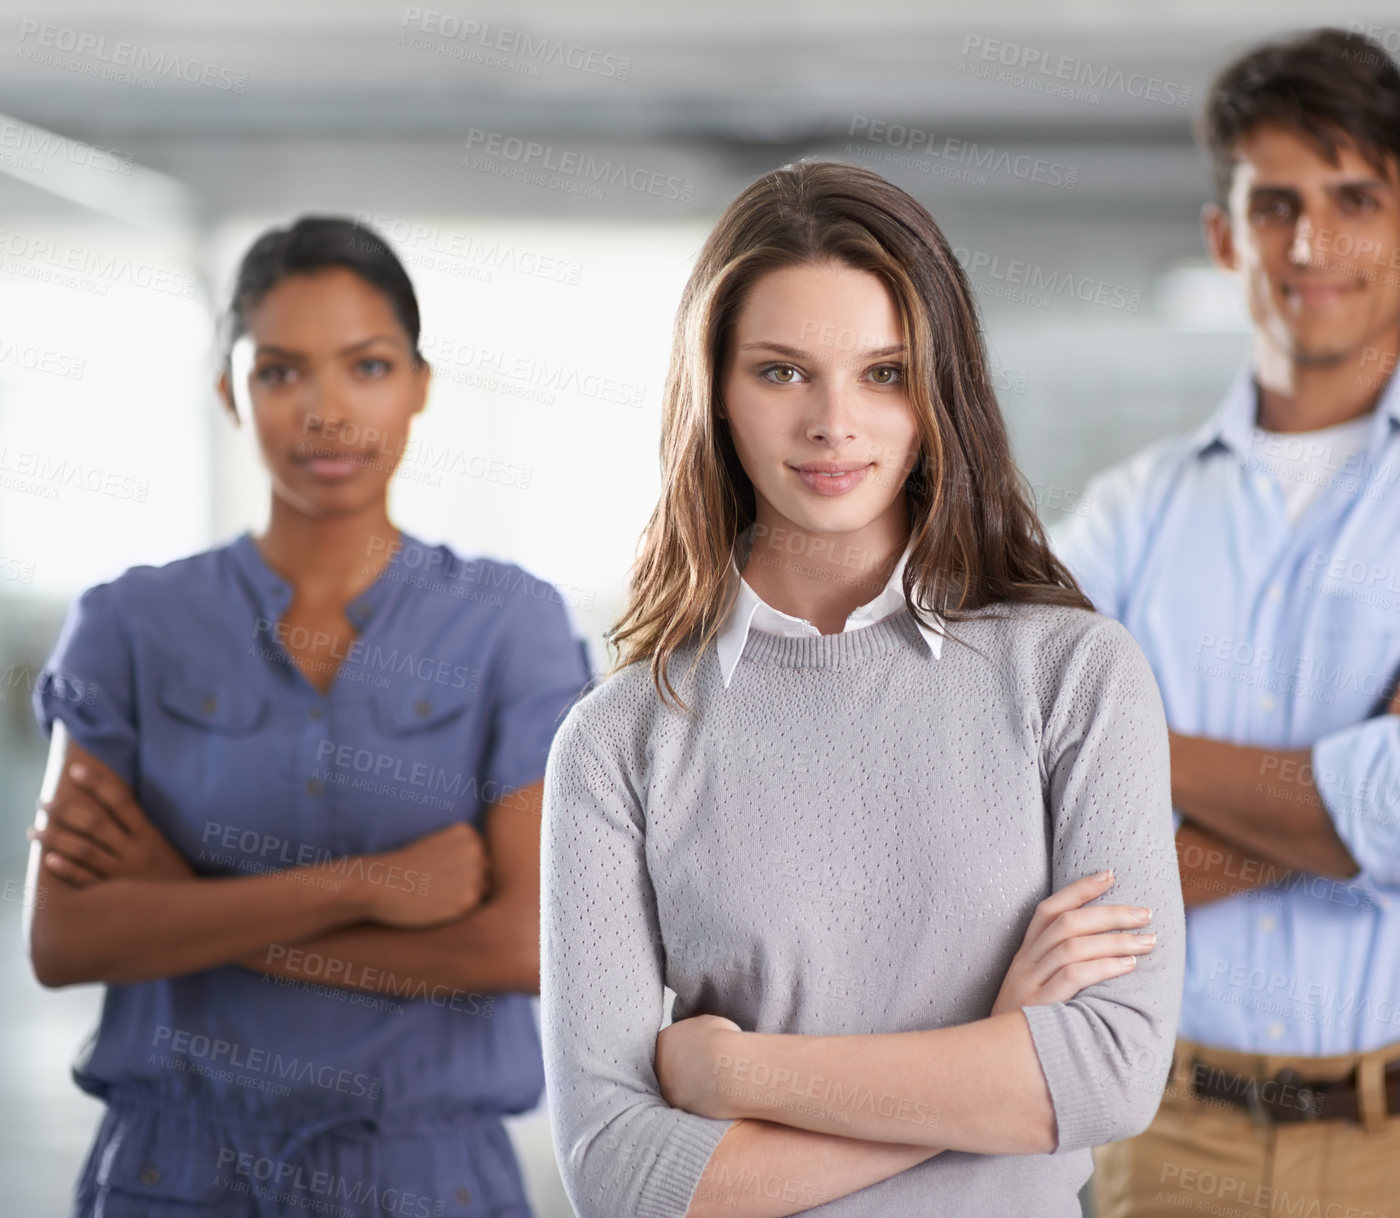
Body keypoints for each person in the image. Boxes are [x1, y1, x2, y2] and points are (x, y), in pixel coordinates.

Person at [539, 159, 1185, 1218]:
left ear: (940, 392)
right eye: (782, 372)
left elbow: (1110, 1071)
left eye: (882, 372)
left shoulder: (1072, 675)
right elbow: (622, 1177)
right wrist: (991, 1068)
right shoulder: (619, 739)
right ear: (715, 391)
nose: (833, 425)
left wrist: (737, 1077)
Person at [1048, 28, 1400, 1218]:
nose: (1310, 246)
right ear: (1222, 238)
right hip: (1164, 1142)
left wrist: (1140, 767)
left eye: (1353, 199)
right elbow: (1032, 833)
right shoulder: (1122, 517)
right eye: (1274, 206)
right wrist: (1369, 766)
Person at [24, 216, 592, 1217]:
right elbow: (68, 936)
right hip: (172, 1175)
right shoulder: (130, 623)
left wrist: (187, 912)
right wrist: (370, 884)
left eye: (365, 367)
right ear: (227, 394)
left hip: (428, 1177)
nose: (326, 412)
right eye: (282, 372)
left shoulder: (511, 625)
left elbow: (522, 946)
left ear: (418, 385)